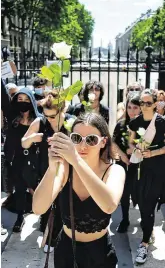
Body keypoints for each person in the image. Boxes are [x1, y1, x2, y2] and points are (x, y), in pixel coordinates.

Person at [33, 113, 125, 268]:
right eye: (76, 138)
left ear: (103, 142)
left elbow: (109, 205)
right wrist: (52, 168)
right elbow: (38, 208)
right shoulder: (65, 169)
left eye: (91, 140)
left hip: (99, 252)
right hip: (66, 250)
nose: (83, 146)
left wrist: (75, 159)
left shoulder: (114, 170)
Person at [22, 89, 72, 253]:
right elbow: (24, 143)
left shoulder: (70, 123)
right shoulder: (40, 122)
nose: (49, 119)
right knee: (49, 203)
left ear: (62, 110)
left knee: (63, 203)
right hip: (46, 168)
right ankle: (50, 236)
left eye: (52, 116)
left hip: (67, 168)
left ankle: (57, 237)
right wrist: (32, 138)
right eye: (47, 115)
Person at [128, 89, 165, 264]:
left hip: (157, 169)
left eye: (148, 103)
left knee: (148, 204)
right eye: (141, 103)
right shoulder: (135, 122)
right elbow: (129, 142)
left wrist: (153, 152)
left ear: (156, 104)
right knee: (142, 203)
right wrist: (135, 148)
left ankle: (143, 243)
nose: (144, 106)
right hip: (139, 168)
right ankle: (148, 233)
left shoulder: (162, 122)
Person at [3, 88, 42, 232]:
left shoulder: (38, 120)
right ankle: (19, 218)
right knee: (19, 189)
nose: (23, 103)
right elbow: (4, 98)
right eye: (20, 100)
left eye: (26, 100)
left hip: (34, 161)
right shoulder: (13, 118)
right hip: (17, 160)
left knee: (36, 189)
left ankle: (44, 215)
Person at [113, 95, 141, 233]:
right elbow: (113, 142)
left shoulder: (146, 125)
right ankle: (125, 219)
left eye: (135, 107)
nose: (132, 111)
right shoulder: (121, 124)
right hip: (123, 163)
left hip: (141, 165)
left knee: (141, 193)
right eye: (129, 107)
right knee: (124, 193)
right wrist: (122, 155)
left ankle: (146, 220)